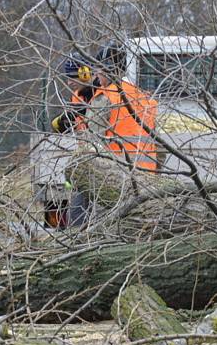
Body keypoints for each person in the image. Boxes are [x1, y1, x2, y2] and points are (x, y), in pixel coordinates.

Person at [49, 45, 159, 226]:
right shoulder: (144, 96)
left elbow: (93, 142)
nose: (97, 75)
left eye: (98, 69)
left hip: (113, 172)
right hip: (146, 174)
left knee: (101, 224)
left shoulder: (105, 97)